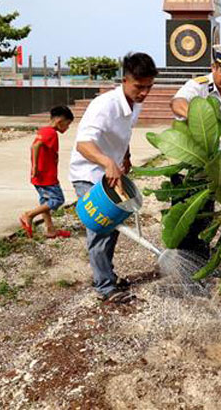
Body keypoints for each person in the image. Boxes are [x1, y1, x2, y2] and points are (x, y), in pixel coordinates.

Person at [69, 52, 159, 304]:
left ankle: (106, 275)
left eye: (149, 87)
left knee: (114, 225)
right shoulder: (104, 105)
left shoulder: (135, 104)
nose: (144, 93)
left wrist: (125, 156)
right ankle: (105, 287)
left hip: (111, 174)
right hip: (89, 174)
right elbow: (83, 144)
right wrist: (108, 162)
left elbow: (124, 133)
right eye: (139, 87)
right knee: (101, 229)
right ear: (124, 80)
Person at [169, 44, 221, 257]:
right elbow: (177, 103)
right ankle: (180, 263)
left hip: (212, 172)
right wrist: (202, 120)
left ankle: (199, 262)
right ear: (214, 67)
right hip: (190, 168)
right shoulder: (198, 87)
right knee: (184, 218)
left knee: (205, 220)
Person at [19, 105, 74, 239]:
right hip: (46, 177)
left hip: (42, 176)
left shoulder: (44, 130)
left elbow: (36, 145)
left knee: (45, 203)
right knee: (57, 199)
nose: (67, 128)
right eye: (67, 124)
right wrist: (35, 167)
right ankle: (29, 215)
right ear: (60, 121)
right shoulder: (51, 133)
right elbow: (35, 146)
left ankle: (50, 230)